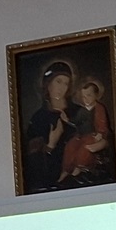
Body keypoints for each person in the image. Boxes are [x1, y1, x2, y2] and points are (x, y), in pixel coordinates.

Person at [22, 61, 78, 192]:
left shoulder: (77, 112)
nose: (62, 87)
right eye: (58, 81)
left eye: (66, 83)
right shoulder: (38, 118)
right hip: (51, 182)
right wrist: (51, 144)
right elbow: (32, 164)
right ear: (48, 83)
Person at [57, 77, 112, 186]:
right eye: (84, 96)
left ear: (96, 95)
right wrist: (67, 120)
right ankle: (67, 169)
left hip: (93, 135)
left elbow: (102, 123)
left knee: (84, 148)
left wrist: (101, 133)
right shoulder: (83, 110)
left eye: (89, 95)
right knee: (70, 146)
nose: (86, 99)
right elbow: (76, 121)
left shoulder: (99, 108)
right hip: (81, 135)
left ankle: (79, 167)